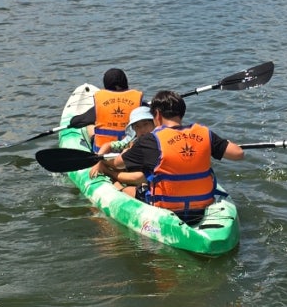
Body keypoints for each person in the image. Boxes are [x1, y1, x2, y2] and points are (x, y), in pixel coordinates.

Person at [90, 90, 244, 223]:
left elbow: (118, 163)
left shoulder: (150, 140)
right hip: (202, 205)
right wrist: (219, 143)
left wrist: (103, 164)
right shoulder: (205, 133)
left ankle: (118, 187)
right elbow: (238, 154)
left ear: (157, 115)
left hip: (167, 209)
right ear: (182, 112)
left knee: (128, 189)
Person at [70, 68, 143, 152]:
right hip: (131, 151)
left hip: (104, 152)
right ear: (126, 84)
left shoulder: (99, 106)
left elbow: (75, 122)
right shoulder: (139, 104)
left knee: (90, 126)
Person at [90, 105, 155, 196]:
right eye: (137, 126)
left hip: (145, 177)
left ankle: (112, 177)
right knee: (125, 153)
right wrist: (97, 161)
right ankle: (112, 177)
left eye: (146, 124)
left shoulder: (159, 139)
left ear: (154, 123)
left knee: (142, 176)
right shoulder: (131, 141)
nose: (142, 129)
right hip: (130, 172)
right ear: (133, 129)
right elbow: (108, 145)